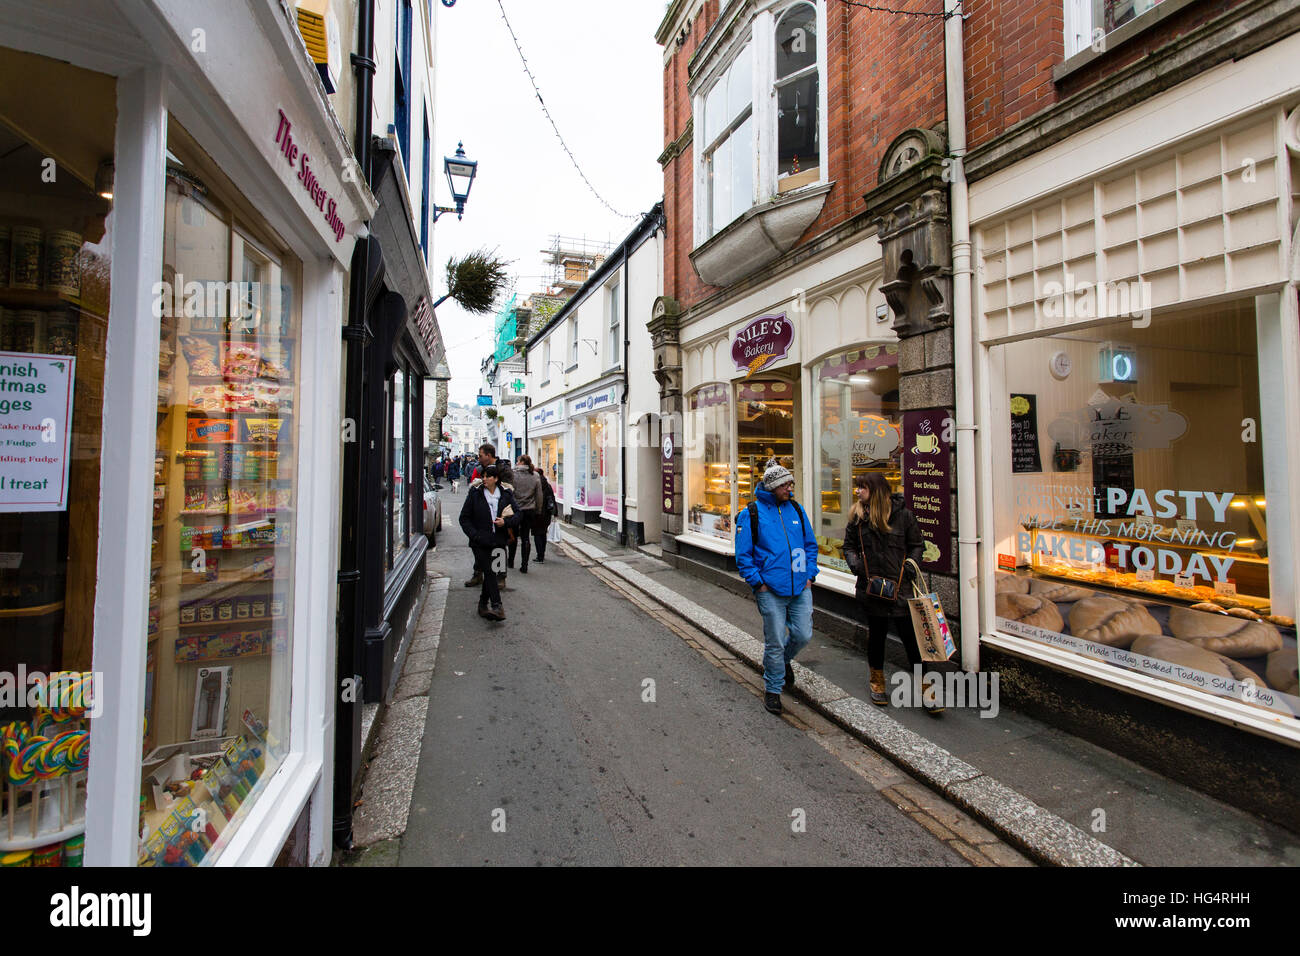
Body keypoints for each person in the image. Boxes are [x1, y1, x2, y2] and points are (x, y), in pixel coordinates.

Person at [839, 472, 938, 714]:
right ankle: (877, 681)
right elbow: (848, 547)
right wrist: (857, 566)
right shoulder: (857, 517)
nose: (858, 492)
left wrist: (910, 567)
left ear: (876, 490)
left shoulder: (904, 516)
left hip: (901, 589)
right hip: (872, 589)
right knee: (877, 637)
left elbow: (917, 544)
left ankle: (926, 689)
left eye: (862, 487)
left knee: (912, 641)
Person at [734, 462, 818, 716]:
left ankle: (780, 663)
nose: (789, 488)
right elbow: (743, 555)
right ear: (772, 486)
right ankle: (773, 689)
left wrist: (810, 575)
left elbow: (810, 545)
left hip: (800, 587)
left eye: (790, 483)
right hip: (769, 590)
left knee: (803, 635)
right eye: (785, 484)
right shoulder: (751, 513)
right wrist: (758, 583)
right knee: (774, 642)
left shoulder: (796, 509)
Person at [458, 464, 519, 621]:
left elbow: (518, 515)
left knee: (491, 573)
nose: (484, 479)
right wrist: (475, 535)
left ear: (496, 479)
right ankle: (497, 606)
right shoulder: (475, 494)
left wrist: (505, 523)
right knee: (490, 571)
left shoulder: (506, 495)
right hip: (480, 542)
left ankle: (483, 604)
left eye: (488, 476)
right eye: (483, 476)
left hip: (498, 541)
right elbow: (464, 518)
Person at [464, 444, 514, 590]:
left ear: (489, 455)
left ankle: (500, 577)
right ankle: (478, 573)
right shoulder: (479, 469)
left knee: (499, 547)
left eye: (480, 455)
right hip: (479, 515)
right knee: (477, 545)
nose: (478, 458)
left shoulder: (503, 469)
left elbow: (509, 488)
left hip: (498, 515)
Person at [509, 455, 542, 573]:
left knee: (513, 535)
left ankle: (511, 561)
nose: (516, 463)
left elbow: (509, 492)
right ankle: (524, 565)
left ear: (522, 462)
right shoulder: (535, 475)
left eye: (517, 461)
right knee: (525, 537)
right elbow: (539, 496)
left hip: (515, 510)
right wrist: (538, 509)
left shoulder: (513, 475)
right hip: (529, 510)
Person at [533, 466, 556, 563]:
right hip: (546, 513)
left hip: (537, 513)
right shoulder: (547, 485)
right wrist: (555, 513)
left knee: (537, 534)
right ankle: (542, 553)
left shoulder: (535, 484)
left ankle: (540, 556)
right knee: (543, 533)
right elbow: (552, 499)